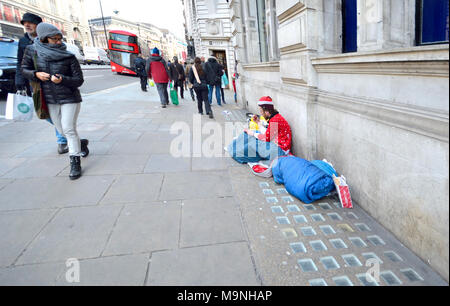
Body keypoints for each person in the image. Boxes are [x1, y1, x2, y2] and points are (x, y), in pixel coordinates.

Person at [16, 13, 89, 156]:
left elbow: (78, 80)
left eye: (59, 39)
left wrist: (62, 79)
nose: (58, 42)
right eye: (54, 39)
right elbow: (23, 67)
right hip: (46, 94)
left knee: (68, 129)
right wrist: (35, 74)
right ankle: (79, 143)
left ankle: (74, 160)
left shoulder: (68, 55)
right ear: (43, 38)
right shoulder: (29, 48)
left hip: (69, 96)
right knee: (61, 128)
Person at [227, 96, 292, 164]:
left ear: (266, 111)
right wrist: (258, 122)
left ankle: (237, 153)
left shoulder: (275, 120)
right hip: (276, 145)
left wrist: (252, 133)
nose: (260, 113)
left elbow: (266, 138)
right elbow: (268, 134)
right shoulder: (275, 117)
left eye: (261, 110)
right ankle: (234, 149)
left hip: (279, 151)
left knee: (252, 143)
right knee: (250, 136)